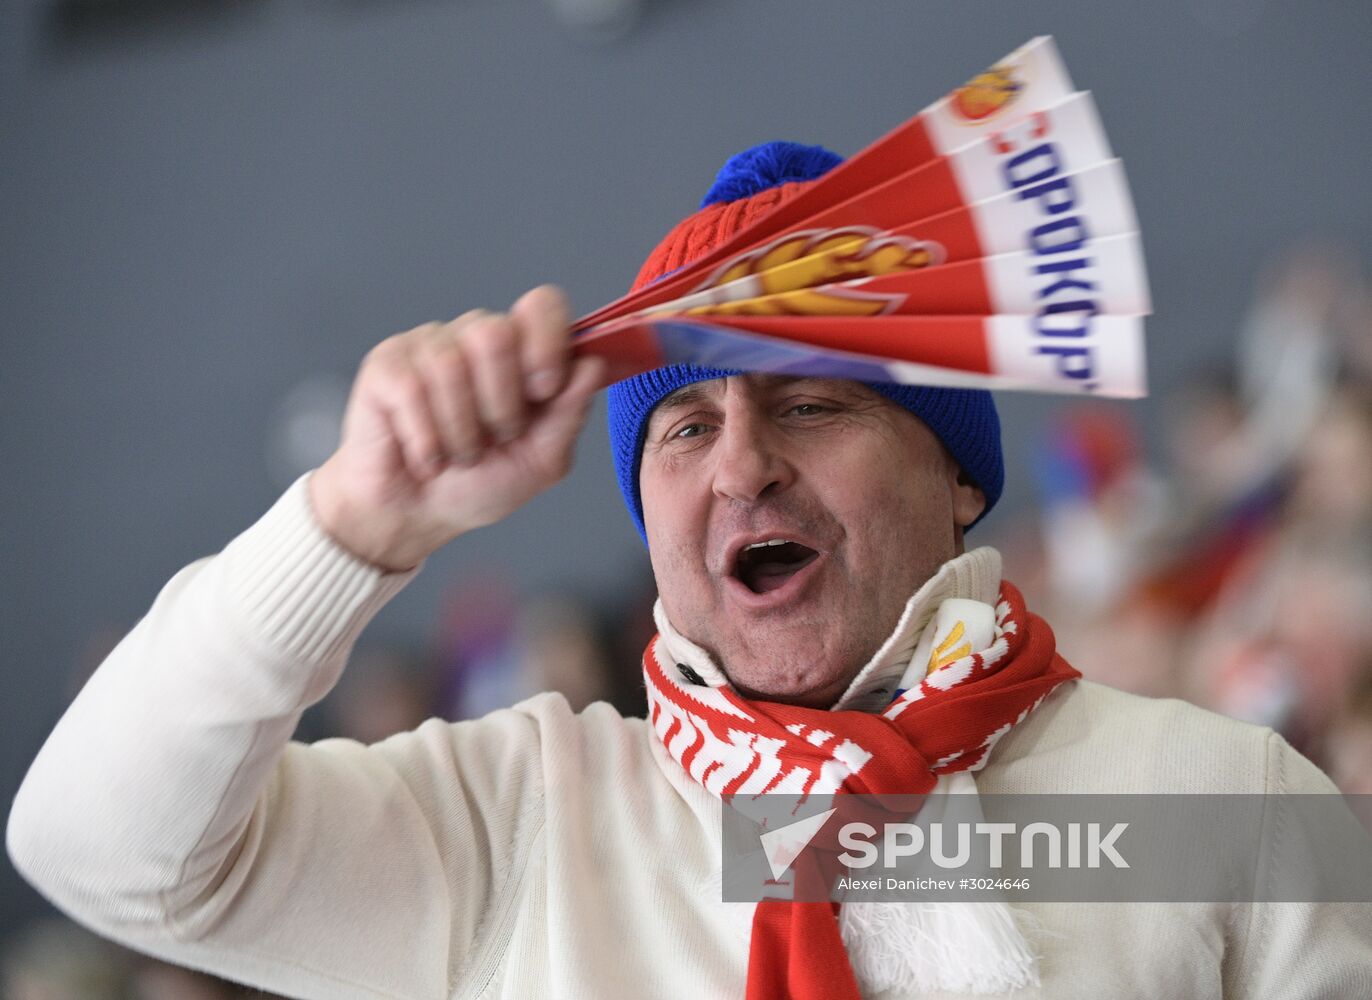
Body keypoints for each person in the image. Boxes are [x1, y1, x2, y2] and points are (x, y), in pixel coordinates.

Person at [8, 143, 1370, 1000]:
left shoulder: (1219, 800)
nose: (740, 468)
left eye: (814, 404)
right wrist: (356, 522)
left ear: (960, 472)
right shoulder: (525, 819)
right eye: (683, 425)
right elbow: (98, 849)